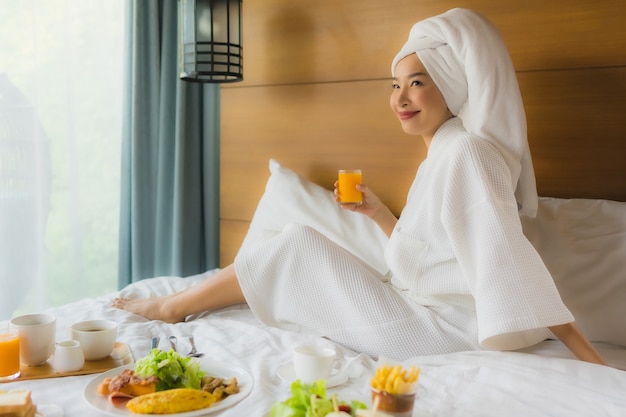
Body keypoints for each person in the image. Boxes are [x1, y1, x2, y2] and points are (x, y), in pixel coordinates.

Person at [114, 8, 607, 365]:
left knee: (295, 244)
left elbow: (509, 262)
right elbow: (432, 258)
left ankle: (173, 307)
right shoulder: (444, 152)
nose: (401, 98)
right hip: (420, 312)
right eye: (395, 85)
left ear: (452, 84)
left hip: (442, 332)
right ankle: (190, 300)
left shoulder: (466, 154)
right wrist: (379, 216)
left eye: (417, 82)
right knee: (291, 244)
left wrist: (591, 361)